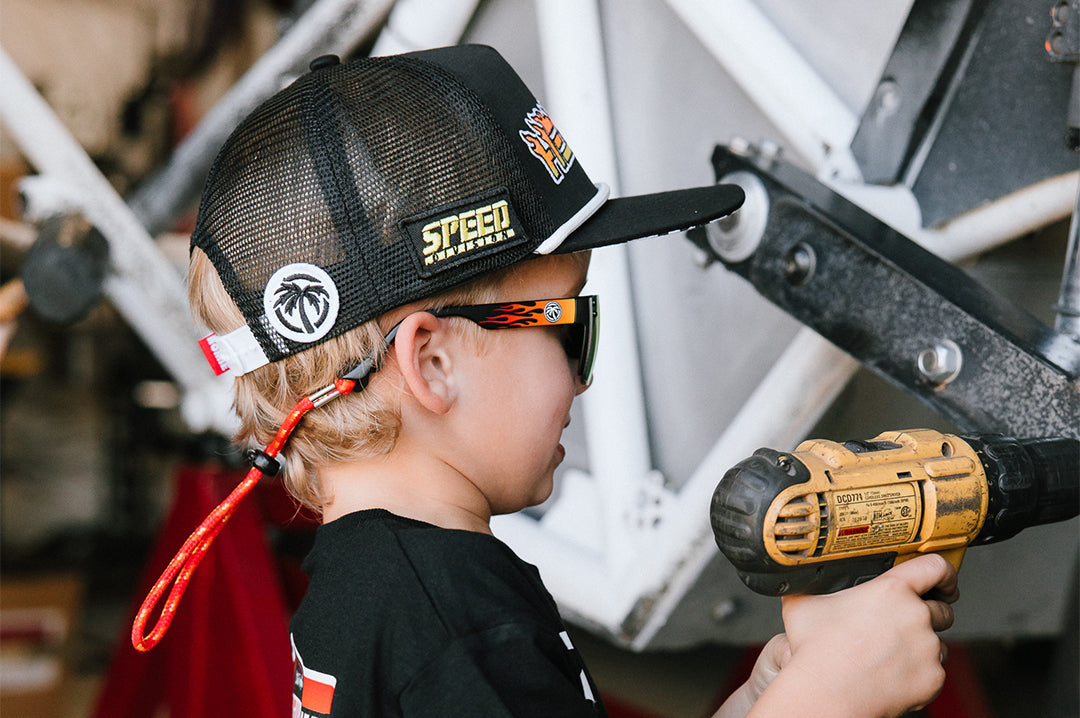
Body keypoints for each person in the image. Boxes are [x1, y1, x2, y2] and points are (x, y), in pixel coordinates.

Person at [141, 44, 959, 717]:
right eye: (566, 326)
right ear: (432, 363)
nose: (582, 380)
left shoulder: (376, 591)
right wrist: (823, 704)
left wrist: (766, 698)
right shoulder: (454, 623)